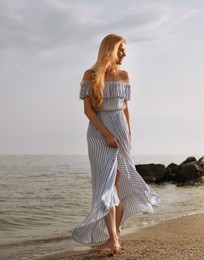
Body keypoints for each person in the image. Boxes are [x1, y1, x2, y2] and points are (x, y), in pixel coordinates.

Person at [73, 34, 160, 255]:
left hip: (120, 130)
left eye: (125, 49)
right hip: (98, 133)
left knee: (117, 187)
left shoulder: (124, 76)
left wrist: (127, 135)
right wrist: (106, 135)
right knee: (105, 186)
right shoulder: (91, 75)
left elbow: (126, 108)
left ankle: (115, 238)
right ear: (110, 50)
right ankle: (112, 239)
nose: (125, 53)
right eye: (121, 49)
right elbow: (88, 111)